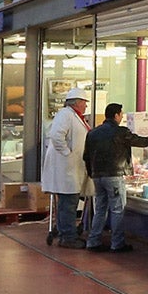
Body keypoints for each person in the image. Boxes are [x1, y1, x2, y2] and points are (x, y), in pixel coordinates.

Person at [82, 103, 148, 251]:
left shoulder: (92, 133)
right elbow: (142, 142)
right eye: (121, 114)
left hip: (97, 176)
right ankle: (117, 243)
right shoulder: (120, 132)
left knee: (100, 209)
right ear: (116, 115)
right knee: (117, 210)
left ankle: (93, 241)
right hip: (114, 175)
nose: (122, 117)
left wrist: (92, 173)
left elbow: (86, 156)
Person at [41, 88, 91, 246]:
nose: (85, 106)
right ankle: (68, 237)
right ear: (77, 102)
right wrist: (67, 153)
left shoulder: (73, 116)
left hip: (70, 167)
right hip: (66, 167)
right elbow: (56, 135)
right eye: (84, 103)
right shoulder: (66, 115)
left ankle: (65, 231)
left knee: (67, 202)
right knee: (69, 202)